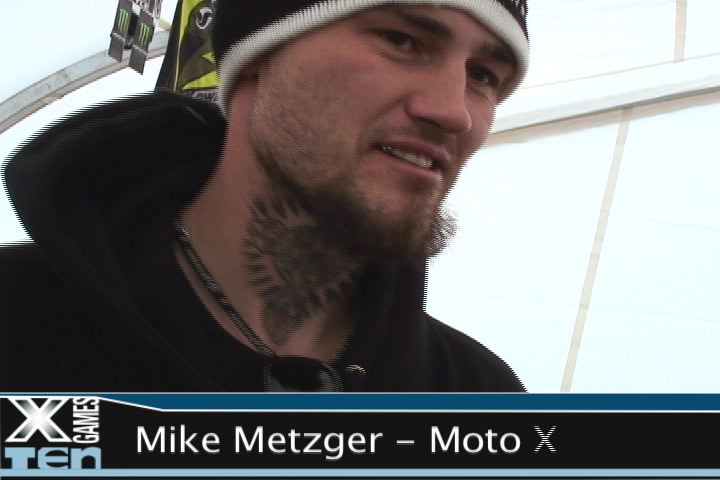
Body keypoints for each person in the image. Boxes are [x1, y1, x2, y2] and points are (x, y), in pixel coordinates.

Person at [0, 0, 529, 391]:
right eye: (402, 40)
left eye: (484, 75)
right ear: (258, 55)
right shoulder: (18, 325)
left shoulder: (478, 397)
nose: (453, 112)